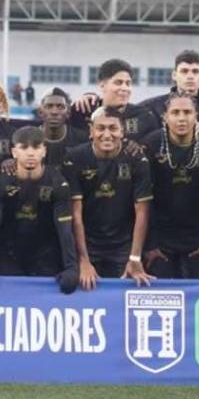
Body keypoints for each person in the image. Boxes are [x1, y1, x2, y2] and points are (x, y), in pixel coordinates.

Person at [0, 126, 78, 293]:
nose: (30, 153)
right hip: (9, 252)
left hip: (45, 252)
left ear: (44, 151)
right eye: (24, 148)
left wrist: (71, 267)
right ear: (14, 152)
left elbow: (64, 228)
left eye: (36, 148)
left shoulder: (58, 182)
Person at [63, 107, 153, 288]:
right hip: (87, 243)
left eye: (113, 128)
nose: (106, 135)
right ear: (91, 131)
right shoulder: (74, 157)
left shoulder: (137, 159)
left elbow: (142, 213)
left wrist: (135, 258)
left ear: (122, 132)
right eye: (100, 128)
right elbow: (75, 215)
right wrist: (83, 260)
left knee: (122, 296)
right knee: (85, 293)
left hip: (122, 245)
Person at [140, 94, 199, 278]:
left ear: (196, 116)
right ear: (165, 117)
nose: (181, 118)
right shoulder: (151, 144)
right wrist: (150, 244)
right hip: (161, 239)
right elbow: (143, 198)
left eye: (187, 112)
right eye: (175, 112)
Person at [141, 50, 199, 121]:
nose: (190, 76)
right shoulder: (152, 108)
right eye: (184, 71)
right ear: (174, 75)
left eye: (195, 71)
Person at [88, 59, 159, 144]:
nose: (124, 88)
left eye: (128, 83)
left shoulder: (144, 117)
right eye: (118, 83)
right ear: (102, 85)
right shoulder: (86, 111)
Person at [39, 88, 88, 166]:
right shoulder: (28, 139)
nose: (54, 112)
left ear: (68, 113)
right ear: (40, 112)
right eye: (49, 106)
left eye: (60, 107)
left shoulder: (82, 139)